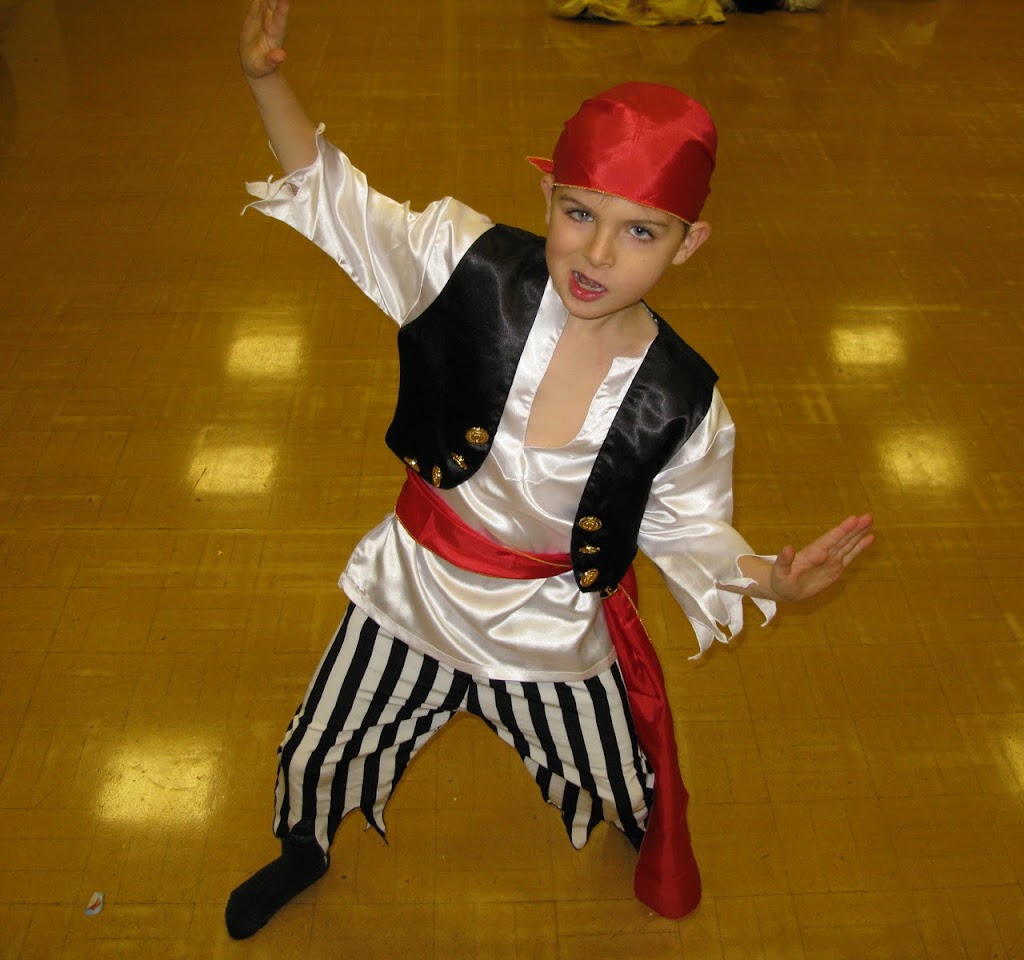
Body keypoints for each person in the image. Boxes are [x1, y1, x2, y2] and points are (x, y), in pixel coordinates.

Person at [226, 0, 873, 940]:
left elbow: (691, 531)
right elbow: (337, 201)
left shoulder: (681, 400)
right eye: (580, 214)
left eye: (642, 232)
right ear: (548, 197)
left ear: (689, 242)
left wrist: (772, 578)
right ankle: (304, 845)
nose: (598, 254)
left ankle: (637, 824)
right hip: (412, 589)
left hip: (552, 624)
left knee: (616, 769)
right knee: (324, 742)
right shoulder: (464, 267)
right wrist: (267, 81)